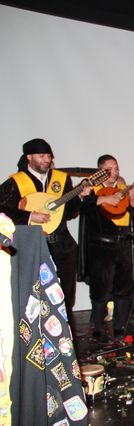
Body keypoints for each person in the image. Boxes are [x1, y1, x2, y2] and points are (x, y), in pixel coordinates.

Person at [0, 138, 91, 333]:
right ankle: (35, 335)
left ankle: (65, 334)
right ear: (29, 157)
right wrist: (29, 216)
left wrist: (80, 196)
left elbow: (69, 212)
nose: (46, 160)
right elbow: (3, 210)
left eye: (49, 156)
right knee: (34, 294)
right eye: (41, 156)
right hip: (32, 247)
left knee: (65, 294)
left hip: (62, 245)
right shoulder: (16, 182)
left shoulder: (61, 179)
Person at [79, 154, 134, 342]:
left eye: (117, 168)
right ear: (100, 171)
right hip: (101, 248)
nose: (115, 172)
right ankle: (97, 328)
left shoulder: (123, 190)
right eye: (110, 169)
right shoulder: (93, 190)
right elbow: (84, 209)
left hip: (124, 245)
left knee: (125, 287)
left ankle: (120, 326)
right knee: (101, 289)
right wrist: (104, 199)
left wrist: (132, 200)